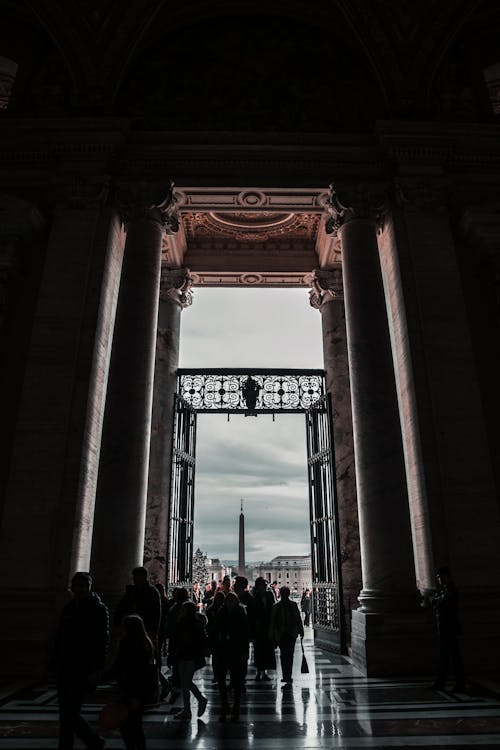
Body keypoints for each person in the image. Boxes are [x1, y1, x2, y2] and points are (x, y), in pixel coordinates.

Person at [49, 571, 109, 750]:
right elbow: (60, 636)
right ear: (73, 587)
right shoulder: (69, 608)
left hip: (83, 667)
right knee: (65, 712)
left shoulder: (98, 609)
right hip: (66, 665)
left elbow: (101, 641)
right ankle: (70, 744)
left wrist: (96, 669)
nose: (81, 590)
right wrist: (54, 661)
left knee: (69, 711)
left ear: (90, 588)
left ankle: (92, 740)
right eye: (79, 586)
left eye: (85, 586)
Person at [112, 614, 159, 750]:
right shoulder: (145, 643)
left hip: (132, 690)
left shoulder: (128, 644)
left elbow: (120, 666)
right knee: (135, 726)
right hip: (139, 691)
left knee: (128, 728)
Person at [211, 591, 250, 721]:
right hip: (223, 650)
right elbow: (216, 629)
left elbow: (245, 634)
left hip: (235, 650)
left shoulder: (240, 613)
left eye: (232, 600)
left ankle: (236, 705)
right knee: (222, 678)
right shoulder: (222, 612)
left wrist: (245, 651)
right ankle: (225, 703)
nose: (229, 603)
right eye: (228, 600)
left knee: (236, 679)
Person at [427, 566, 466, 691]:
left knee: (450, 657)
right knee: (450, 657)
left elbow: (439, 602)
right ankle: (446, 682)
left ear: (445, 576)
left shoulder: (450, 590)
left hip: (449, 628)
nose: (438, 579)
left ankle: (446, 682)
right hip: (447, 628)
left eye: (439, 577)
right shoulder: (445, 590)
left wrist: (434, 600)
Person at [170, 601, 209, 720]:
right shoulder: (184, 623)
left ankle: (197, 702)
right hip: (184, 655)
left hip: (190, 656)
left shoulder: (192, 624)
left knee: (185, 682)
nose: (181, 611)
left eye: (183, 609)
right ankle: (188, 708)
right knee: (184, 683)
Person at [114, 567, 162, 644]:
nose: (134, 579)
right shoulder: (133, 591)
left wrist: (153, 631)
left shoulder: (152, 593)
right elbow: (121, 607)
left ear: (143, 577)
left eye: (135, 577)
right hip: (131, 628)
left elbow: (156, 613)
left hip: (146, 629)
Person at [269, 585, 304, 688]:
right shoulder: (293, 605)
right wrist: (301, 631)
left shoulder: (276, 606)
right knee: (289, 656)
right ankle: (287, 676)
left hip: (282, 634)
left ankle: (287, 676)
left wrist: (272, 635)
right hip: (291, 634)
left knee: (284, 656)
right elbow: (298, 619)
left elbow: (273, 622)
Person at [251, 577, 276, 681]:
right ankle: (258, 672)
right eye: (264, 584)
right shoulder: (254, 596)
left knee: (266, 650)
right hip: (258, 627)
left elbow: (273, 607)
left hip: (267, 626)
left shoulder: (269, 594)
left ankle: (264, 672)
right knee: (258, 651)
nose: (266, 586)